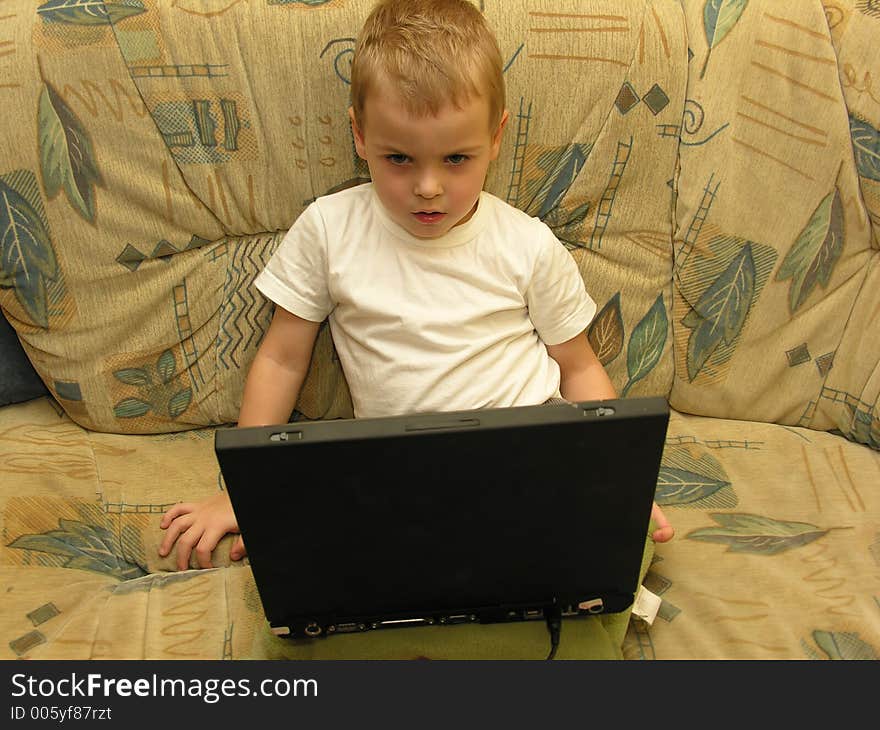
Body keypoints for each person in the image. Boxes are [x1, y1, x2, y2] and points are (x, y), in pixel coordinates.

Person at [159, 0, 673, 570]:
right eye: (399, 158)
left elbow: (578, 368)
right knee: (318, 561)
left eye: (457, 158)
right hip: (395, 476)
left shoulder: (526, 244)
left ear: (496, 137)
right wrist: (247, 487)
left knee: (601, 558)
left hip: (530, 456)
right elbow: (282, 358)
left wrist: (617, 473)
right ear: (359, 135)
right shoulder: (330, 230)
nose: (428, 187)